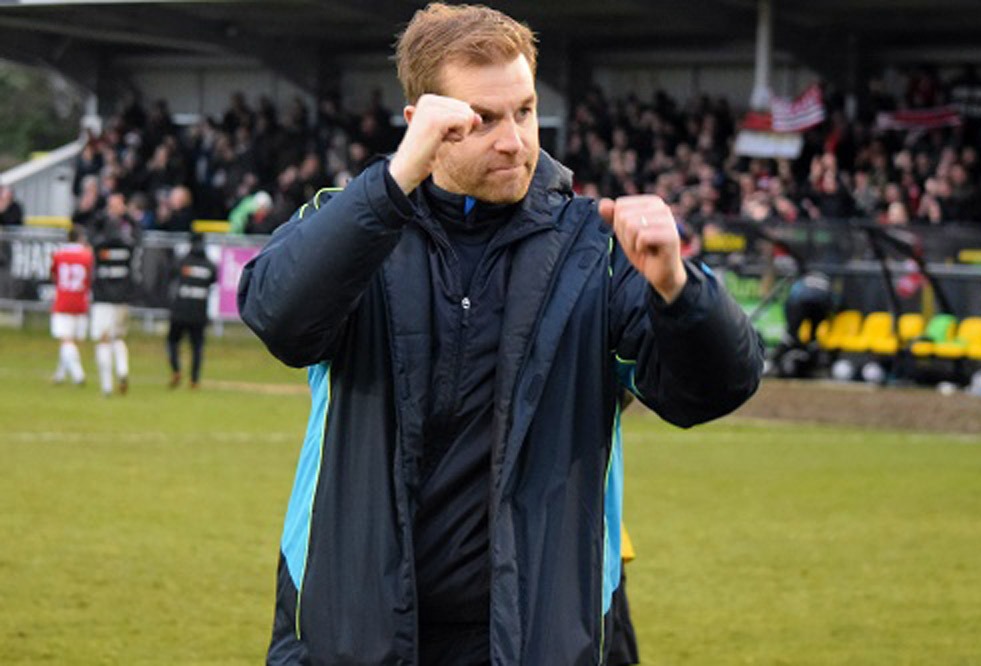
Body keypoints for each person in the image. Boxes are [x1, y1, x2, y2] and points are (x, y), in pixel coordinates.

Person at [238, 4, 763, 664]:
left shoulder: (594, 250)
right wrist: (395, 181)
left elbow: (715, 389)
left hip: (536, 637)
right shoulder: (354, 228)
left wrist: (680, 293)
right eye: (481, 120)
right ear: (421, 125)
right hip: (350, 631)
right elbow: (277, 318)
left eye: (524, 111)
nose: (514, 140)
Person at [89, 210, 138, 397]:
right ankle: (123, 371)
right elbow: (139, 235)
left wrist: (101, 215)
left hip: (102, 301)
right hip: (122, 299)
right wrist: (128, 215)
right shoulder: (127, 247)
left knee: (103, 340)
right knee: (118, 338)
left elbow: (90, 231)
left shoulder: (100, 247)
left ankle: (107, 386)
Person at [166, 232, 217, 388]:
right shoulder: (210, 265)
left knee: (172, 341)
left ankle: (176, 369)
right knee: (197, 347)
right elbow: (212, 280)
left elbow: (171, 275)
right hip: (199, 312)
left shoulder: (182, 261)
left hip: (180, 310)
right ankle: (194, 380)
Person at [49, 225, 93, 386]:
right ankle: (60, 374)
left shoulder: (59, 255)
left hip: (63, 300)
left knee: (66, 340)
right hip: (81, 300)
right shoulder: (87, 256)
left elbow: (53, 275)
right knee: (70, 340)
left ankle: (78, 374)